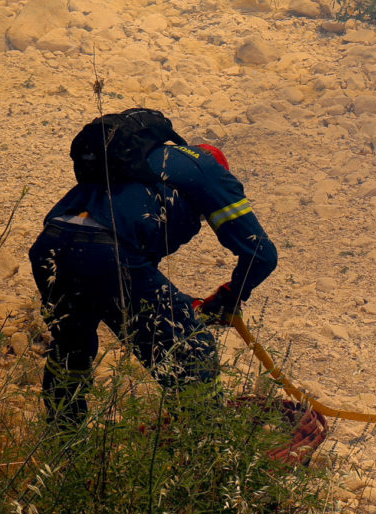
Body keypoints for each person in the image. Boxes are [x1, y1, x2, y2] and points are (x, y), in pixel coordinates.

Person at [27, 106, 278, 425]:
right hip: (109, 253)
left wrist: (187, 307)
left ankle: (64, 449)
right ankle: (207, 453)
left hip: (51, 246)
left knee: (71, 352)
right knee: (192, 351)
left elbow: (128, 289)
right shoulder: (208, 170)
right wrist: (231, 296)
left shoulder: (136, 167)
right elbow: (262, 253)